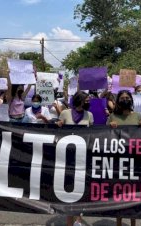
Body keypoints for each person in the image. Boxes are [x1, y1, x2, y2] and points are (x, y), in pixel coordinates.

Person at [106, 90, 141, 226]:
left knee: (133, 194)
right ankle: (119, 223)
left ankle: (133, 223)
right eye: (122, 98)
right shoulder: (112, 117)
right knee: (119, 194)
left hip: (134, 161)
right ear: (117, 101)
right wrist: (109, 127)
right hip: (118, 161)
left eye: (127, 98)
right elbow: (103, 136)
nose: (125, 100)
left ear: (131, 100)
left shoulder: (138, 116)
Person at [57, 91, 93, 226]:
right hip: (67, 157)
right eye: (87, 99)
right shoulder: (65, 113)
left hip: (83, 157)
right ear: (79, 100)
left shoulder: (89, 115)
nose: (88, 102)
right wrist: (59, 125)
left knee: (81, 189)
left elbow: (93, 134)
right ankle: (69, 221)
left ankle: (78, 220)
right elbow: (58, 132)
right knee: (69, 189)